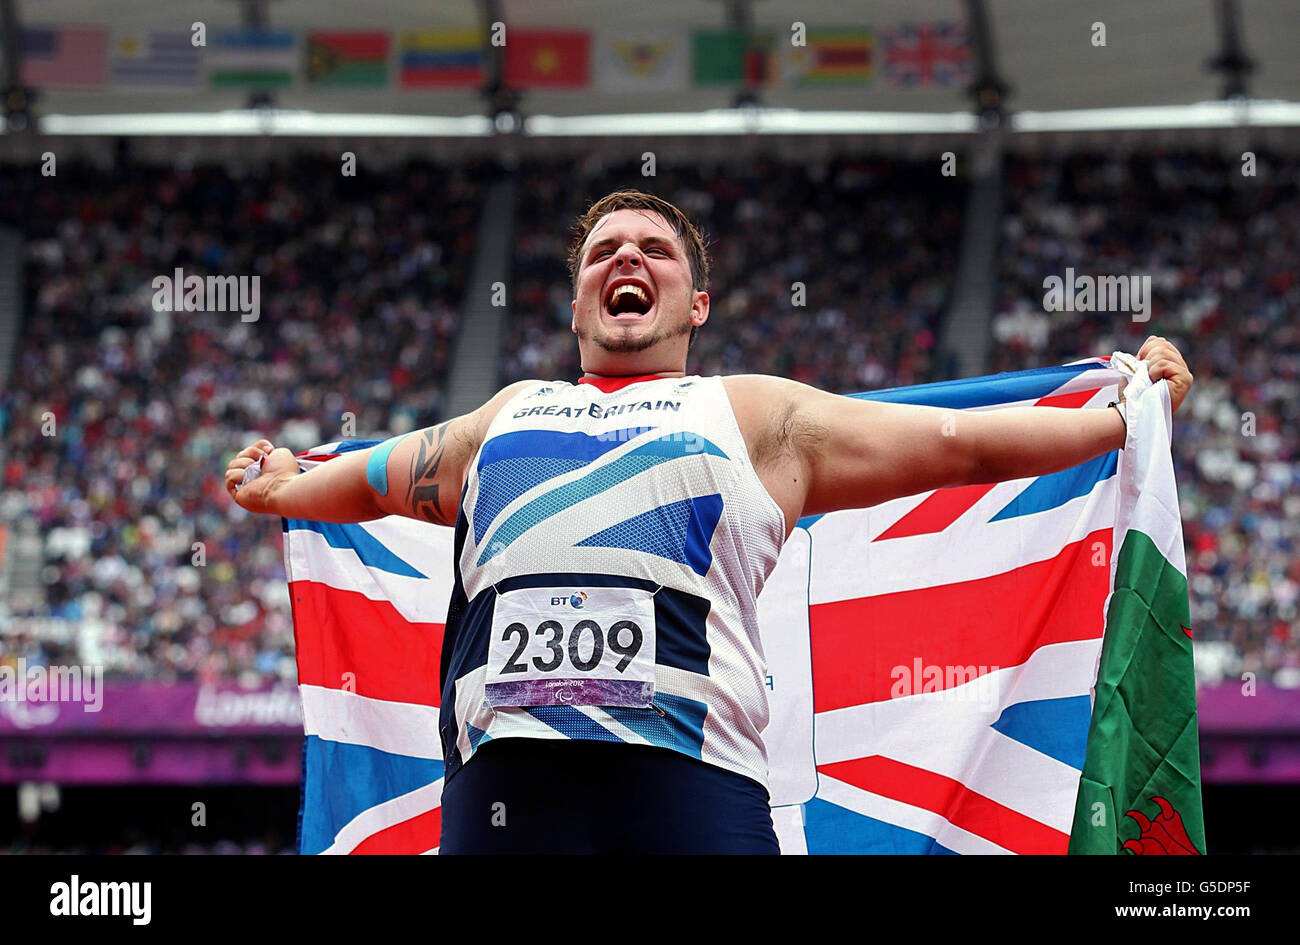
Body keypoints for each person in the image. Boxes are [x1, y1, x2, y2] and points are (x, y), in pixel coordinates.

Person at [225, 190, 1193, 854]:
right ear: (578, 303)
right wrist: (278, 486)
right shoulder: (503, 417)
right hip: (513, 777)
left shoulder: (756, 413)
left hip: (690, 771)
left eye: (653, 250)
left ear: (697, 302)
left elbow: (962, 445)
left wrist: (1125, 418)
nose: (626, 260)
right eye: (604, 251)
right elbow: (366, 481)